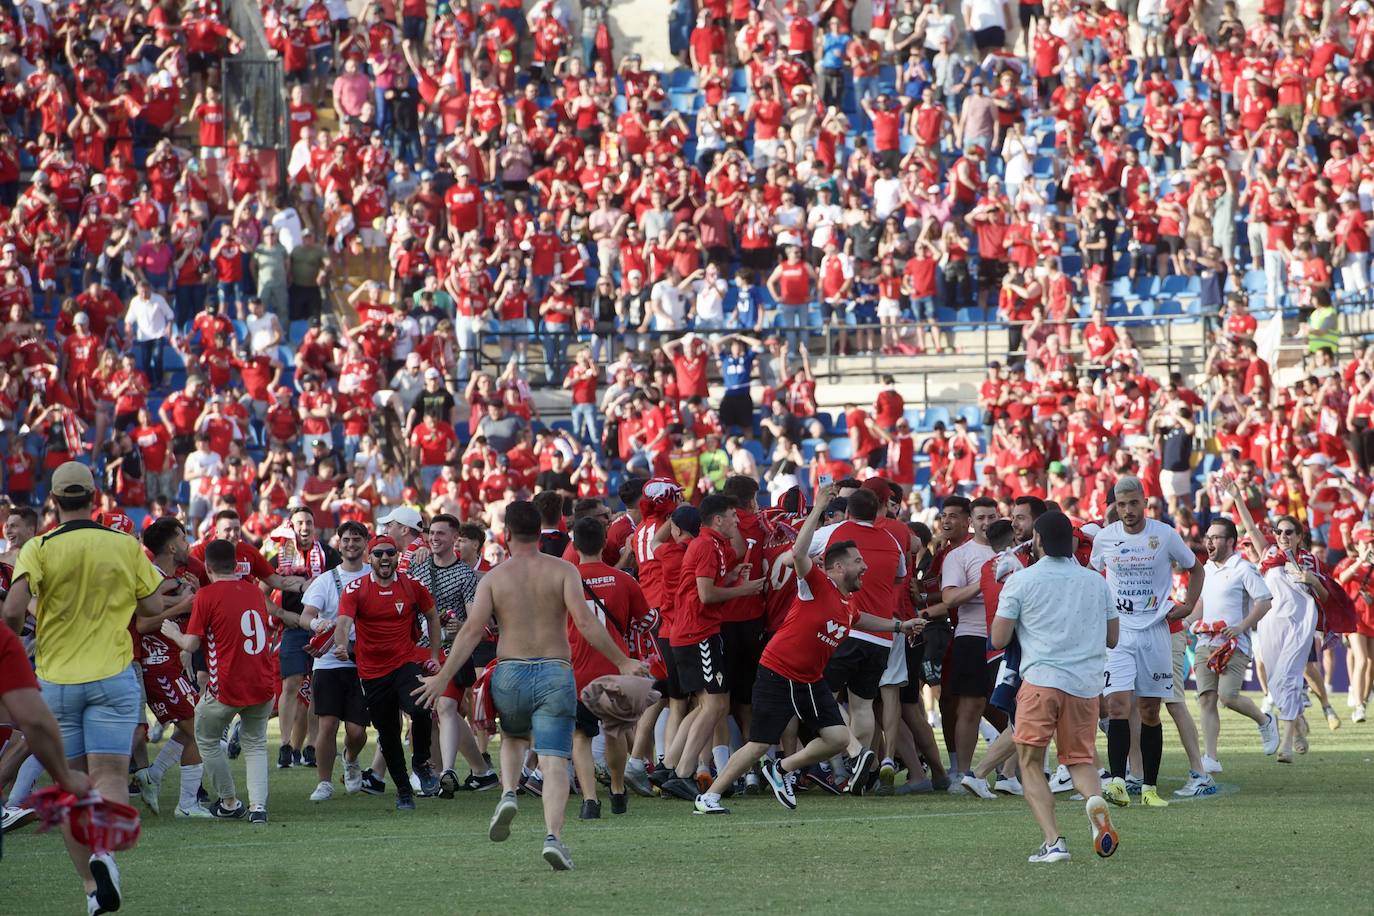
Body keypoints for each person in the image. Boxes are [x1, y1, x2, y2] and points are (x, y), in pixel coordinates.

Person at [413, 501, 646, 872]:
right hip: (555, 671)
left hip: (510, 670)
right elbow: (585, 623)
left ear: (505, 536)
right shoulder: (563, 570)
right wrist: (622, 661)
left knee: (513, 739)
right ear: (541, 533)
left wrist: (442, 676)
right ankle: (552, 836)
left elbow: (472, 631)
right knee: (554, 758)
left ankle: (508, 793)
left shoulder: (493, 578)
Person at [2, 462, 172, 914]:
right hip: (113, 674)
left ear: (54, 501)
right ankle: (105, 855)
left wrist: (31, 626)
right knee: (112, 776)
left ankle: (92, 890)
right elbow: (153, 603)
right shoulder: (123, 544)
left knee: (69, 782)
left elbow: (13, 611)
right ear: (95, 497)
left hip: (57, 679)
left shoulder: (38, 547)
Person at [693, 485, 922, 814]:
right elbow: (799, 554)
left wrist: (900, 626)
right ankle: (710, 797)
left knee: (838, 738)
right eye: (858, 562)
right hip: (778, 672)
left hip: (809, 680)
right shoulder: (816, 582)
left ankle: (782, 769)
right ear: (838, 568)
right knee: (758, 744)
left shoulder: (847, 602)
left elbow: (864, 620)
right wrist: (817, 509)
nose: (866, 567)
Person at [991, 511, 1121, 863]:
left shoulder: (1022, 580)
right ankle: (1095, 802)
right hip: (1085, 686)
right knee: (1080, 760)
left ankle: (1054, 842)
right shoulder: (1096, 582)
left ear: (1037, 542)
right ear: (1075, 542)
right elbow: (1112, 637)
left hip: (1042, 681)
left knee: (1030, 762)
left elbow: (999, 637)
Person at [1090, 476, 1204, 808]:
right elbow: (1092, 574)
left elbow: (1196, 569)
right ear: (1115, 506)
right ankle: (1117, 782)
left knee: (1151, 711)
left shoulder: (1164, 535)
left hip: (1156, 631)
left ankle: (1150, 789)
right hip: (1120, 633)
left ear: (1145, 502)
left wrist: (1188, 605)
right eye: (1121, 504)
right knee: (1117, 707)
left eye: (1133, 503)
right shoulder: (1106, 538)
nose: (1127, 510)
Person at [161, 539, 276, 824]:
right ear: (237, 565)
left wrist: (174, 633)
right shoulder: (253, 591)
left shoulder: (207, 595)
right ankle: (258, 807)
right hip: (262, 680)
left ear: (208, 567)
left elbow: (191, 644)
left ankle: (228, 800)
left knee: (206, 740)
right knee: (256, 744)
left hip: (227, 684)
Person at [334, 535, 443, 809]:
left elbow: (432, 616)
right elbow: (344, 621)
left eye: (390, 553)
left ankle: (421, 762)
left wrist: (432, 654)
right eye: (379, 554)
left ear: (397, 556)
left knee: (420, 707)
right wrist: (340, 645)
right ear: (369, 558)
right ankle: (404, 790)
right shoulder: (355, 589)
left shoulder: (412, 586)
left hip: (404, 663)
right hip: (371, 672)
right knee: (389, 733)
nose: (385, 558)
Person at [1229, 486, 1326, 763]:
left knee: (1292, 680)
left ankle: (1285, 745)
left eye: (1289, 532)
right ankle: (1298, 726)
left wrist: (1314, 581)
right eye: (1279, 531)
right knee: (1276, 683)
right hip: (1271, 626)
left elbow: (1328, 597)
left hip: (1299, 627)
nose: (1283, 536)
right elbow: (1248, 526)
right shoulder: (1267, 554)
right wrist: (1237, 497)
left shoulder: (1311, 562)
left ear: (1300, 536)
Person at [406, 513, 498, 796]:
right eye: (431, 533)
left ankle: (447, 771)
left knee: (445, 708)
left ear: (454, 538)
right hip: (420, 649)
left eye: (440, 534)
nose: (434, 538)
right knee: (424, 714)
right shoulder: (417, 566)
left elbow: (477, 620)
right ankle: (453, 771)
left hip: (451, 651)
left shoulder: (466, 575)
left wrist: (464, 626)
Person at [131, 518, 212, 818]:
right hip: (156, 666)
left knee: (192, 726)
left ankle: (153, 775)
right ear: (171, 545)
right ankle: (187, 805)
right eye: (183, 537)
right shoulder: (151, 575)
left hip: (171, 663)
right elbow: (142, 624)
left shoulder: (171, 576)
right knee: (198, 728)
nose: (188, 543)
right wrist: (183, 605)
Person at [1187, 517, 1281, 769]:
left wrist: (1241, 626)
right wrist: (1185, 625)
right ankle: (1211, 758)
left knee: (1227, 697)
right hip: (1206, 641)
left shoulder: (1244, 568)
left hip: (1234, 644)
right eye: (1208, 537)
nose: (1209, 541)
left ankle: (1264, 720)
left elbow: (1264, 601)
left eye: (1215, 537)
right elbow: (1200, 606)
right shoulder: (1205, 570)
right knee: (1206, 698)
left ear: (1230, 541)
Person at [0, 621, 90, 862]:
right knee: (31, 736)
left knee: (20, 736)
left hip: (51, 667)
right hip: (56, 672)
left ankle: (14, 802)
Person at [299, 520, 374, 801]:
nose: (351, 544)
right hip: (329, 662)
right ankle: (324, 782)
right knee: (327, 724)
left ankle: (351, 758)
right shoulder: (326, 579)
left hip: (364, 662)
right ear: (338, 544)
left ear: (366, 543)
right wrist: (317, 623)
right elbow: (306, 615)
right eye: (346, 540)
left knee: (357, 731)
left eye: (357, 539)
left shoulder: (374, 574)